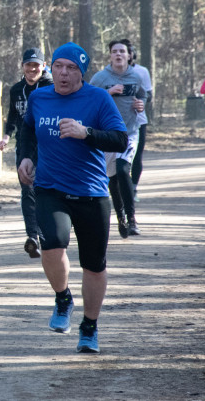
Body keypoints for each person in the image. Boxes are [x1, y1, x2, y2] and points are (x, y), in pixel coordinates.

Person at [18, 42, 128, 354]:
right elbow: (26, 131)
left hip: (91, 193)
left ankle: (89, 326)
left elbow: (119, 139)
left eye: (72, 69)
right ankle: (63, 297)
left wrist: (86, 133)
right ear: (50, 69)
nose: (64, 73)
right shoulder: (39, 97)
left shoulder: (98, 98)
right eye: (58, 67)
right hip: (51, 189)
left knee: (94, 265)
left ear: (82, 73)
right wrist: (25, 158)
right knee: (52, 245)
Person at [0, 47, 53, 258]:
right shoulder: (16, 90)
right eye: (29, 65)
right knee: (27, 188)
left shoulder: (51, 87)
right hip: (24, 145)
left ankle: (49, 231)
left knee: (45, 189)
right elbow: (13, 117)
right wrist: (5, 137)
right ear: (22, 66)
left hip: (48, 145)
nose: (32, 69)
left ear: (43, 67)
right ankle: (33, 236)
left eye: (36, 65)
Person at [89, 40, 146, 238]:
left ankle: (132, 219)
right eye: (115, 51)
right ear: (110, 56)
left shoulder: (136, 77)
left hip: (129, 132)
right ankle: (120, 216)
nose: (119, 54)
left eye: (122, 51)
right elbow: (88, 99)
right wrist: (108, 93)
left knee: (123, 170)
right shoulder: (100, 78)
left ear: (129, 55)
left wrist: (141, 104)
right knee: (112, 179)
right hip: (108, 133)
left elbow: (143, 96)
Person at [126, 45, 153, 201]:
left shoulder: (141, 72)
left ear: (132, 55)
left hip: (139, 120)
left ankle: (134, 188)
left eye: (128, 52)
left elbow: (149, 95)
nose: (124, 55)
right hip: (119, 121)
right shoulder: (109, 74)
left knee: (137, 156)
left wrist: (139, 101)